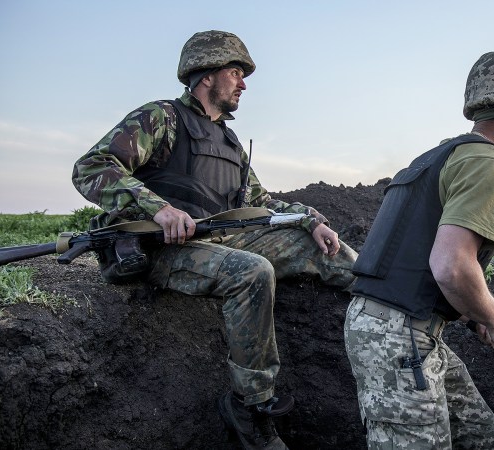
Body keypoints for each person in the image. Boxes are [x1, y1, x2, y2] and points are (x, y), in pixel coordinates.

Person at [72, 30, 357, 450]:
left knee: (321, 247)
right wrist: (158, 209)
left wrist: (309, 219)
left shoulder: (230, 141)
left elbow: (260, 202)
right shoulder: (161, 117)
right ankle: (251, 406)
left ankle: (396, 304)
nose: (244, 84)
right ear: (207, 75)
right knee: (253, 271)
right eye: (236, 72)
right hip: (167, 251)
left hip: (224, 241)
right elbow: (91, 166)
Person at [344, 50, 494, 449]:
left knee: (479, 435)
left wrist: (475, 315)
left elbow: (416, 251)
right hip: (397, 334)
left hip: (400, 325)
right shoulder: (490, 162)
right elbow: (450, 265)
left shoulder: (441, 155)